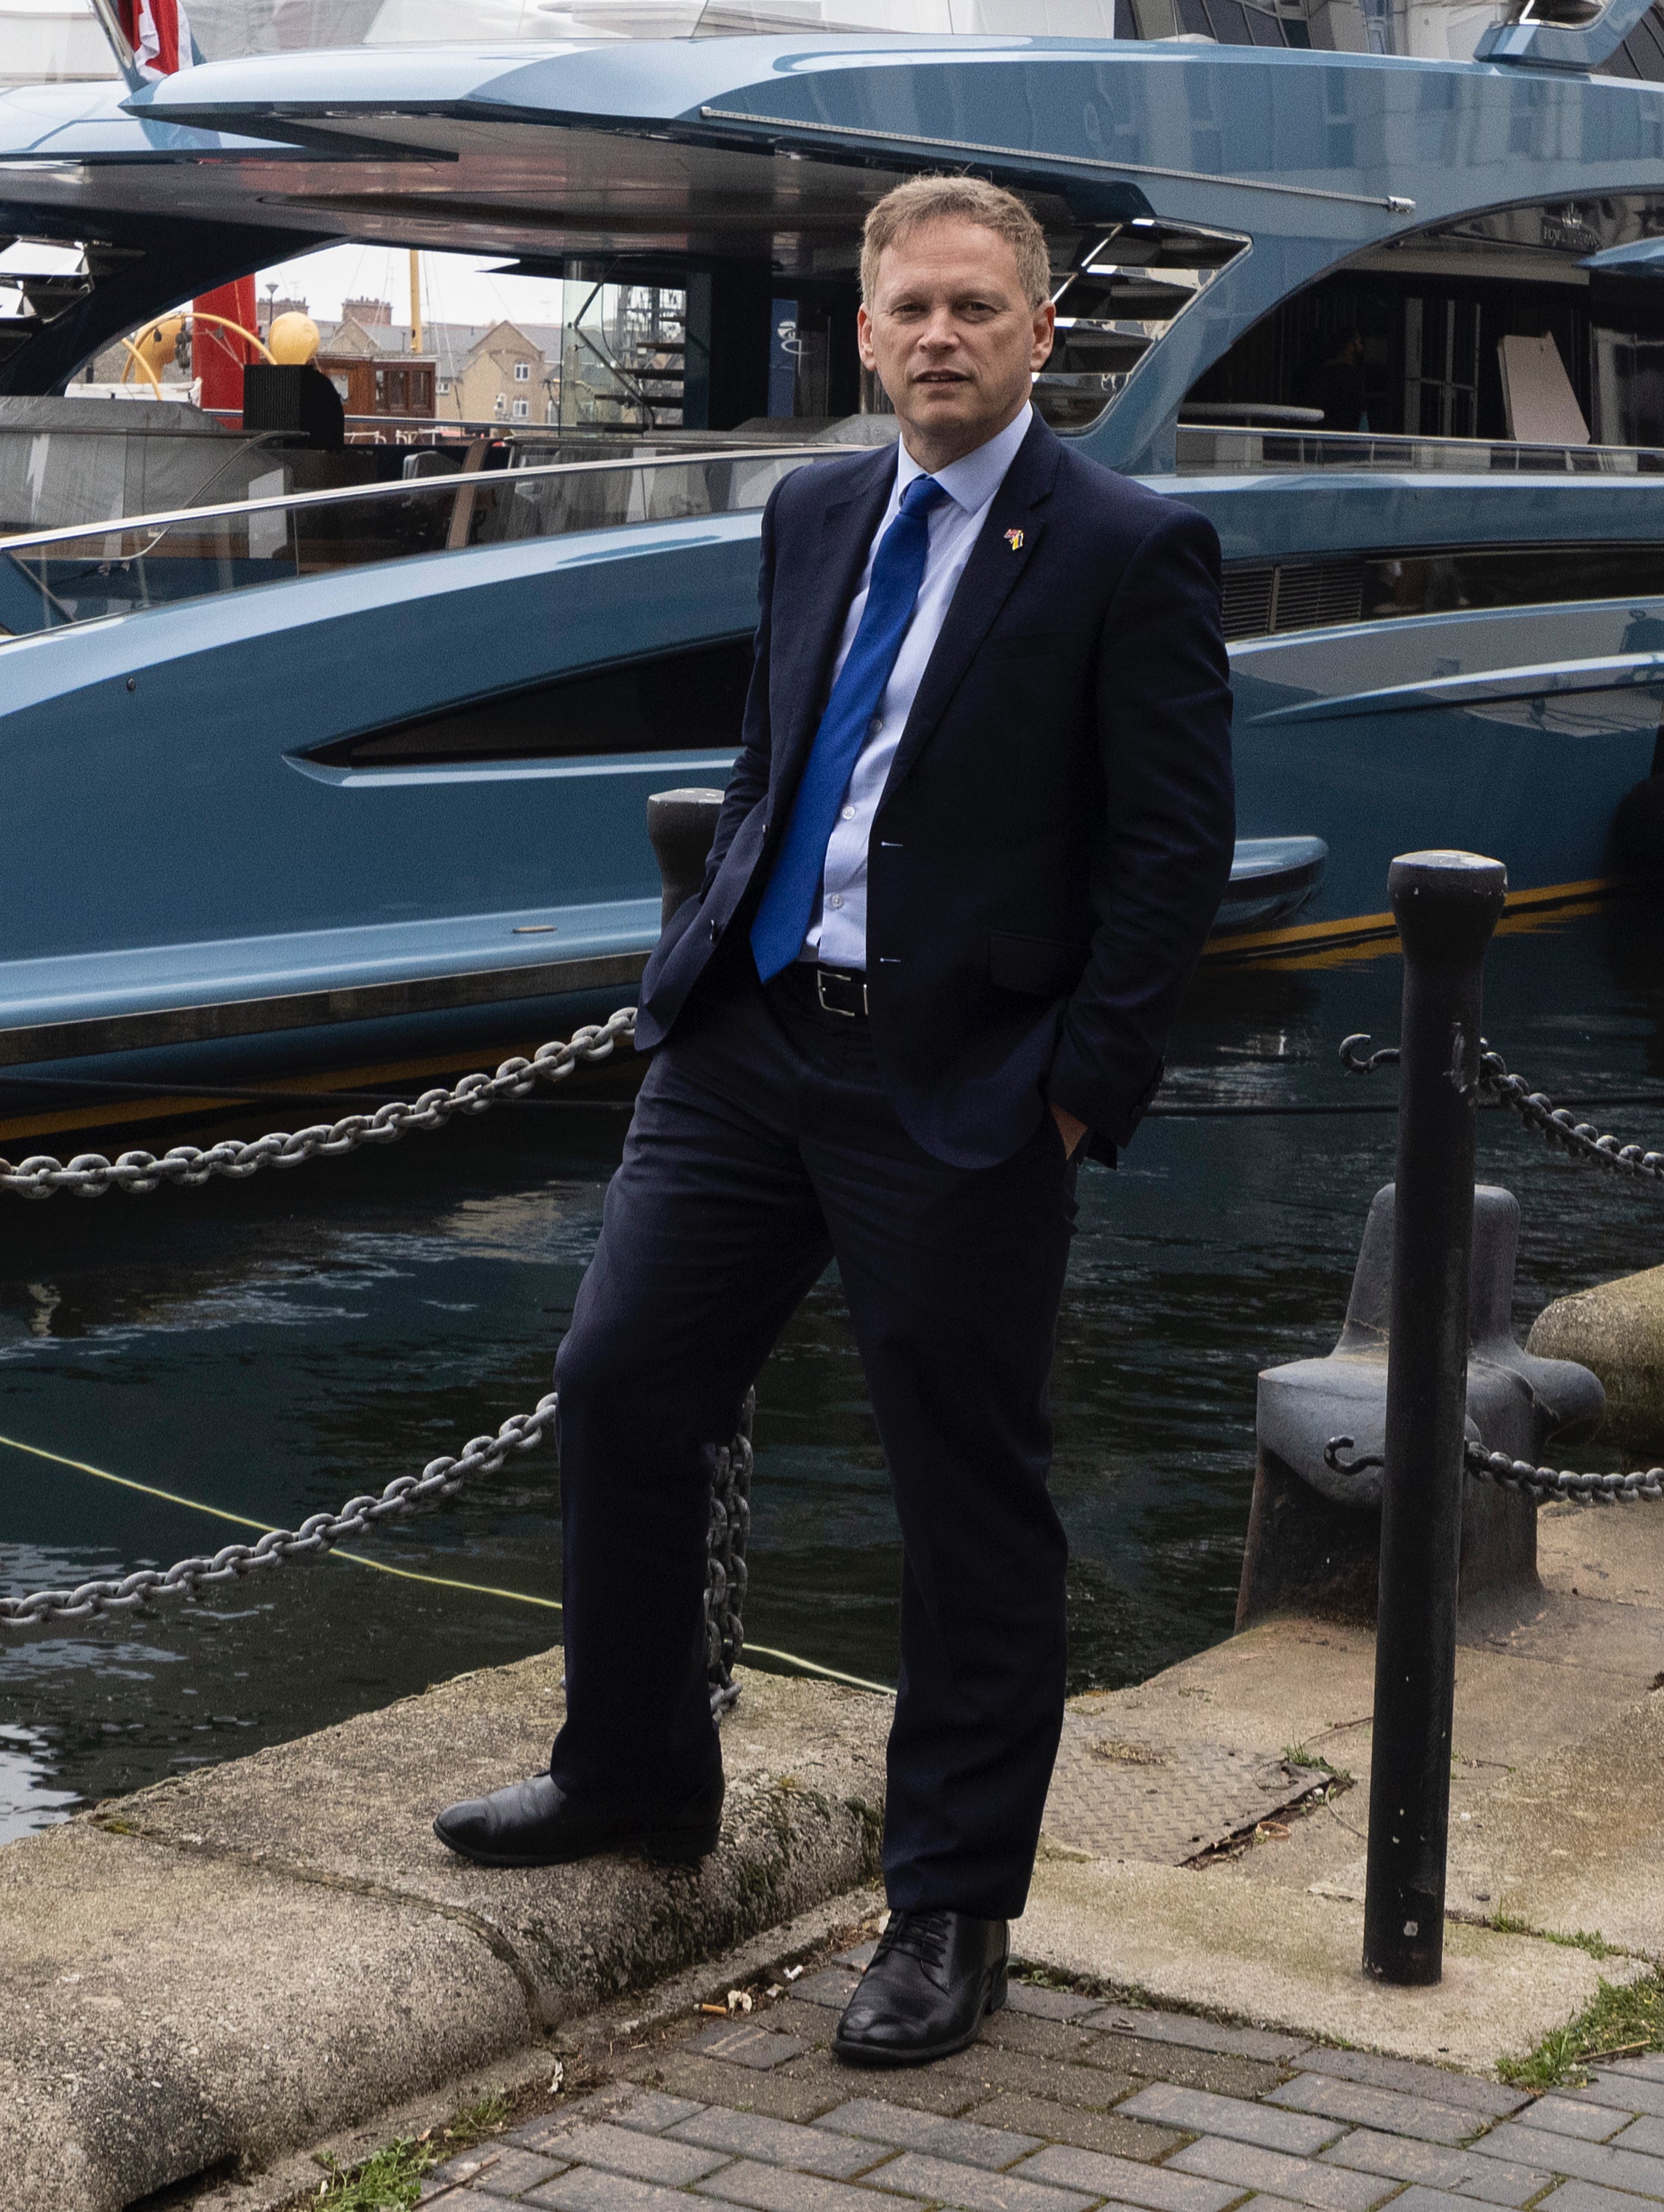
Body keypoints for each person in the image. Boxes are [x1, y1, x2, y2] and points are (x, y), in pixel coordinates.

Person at [431, 174, 1234, 2069]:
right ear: (864, 336)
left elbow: (1169, 850)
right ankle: (637, 1771)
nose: (940, 336)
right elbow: (778, 754)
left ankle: (954, 1905)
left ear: (1041, 335)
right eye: (910, 310)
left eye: (976, 307)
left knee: (964, 1487)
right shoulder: (812, 510)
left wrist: (1074, 1095)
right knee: (624, 1374)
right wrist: (708, 962)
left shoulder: (1130, 544)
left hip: (963, 1084)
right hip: (751, 1039)